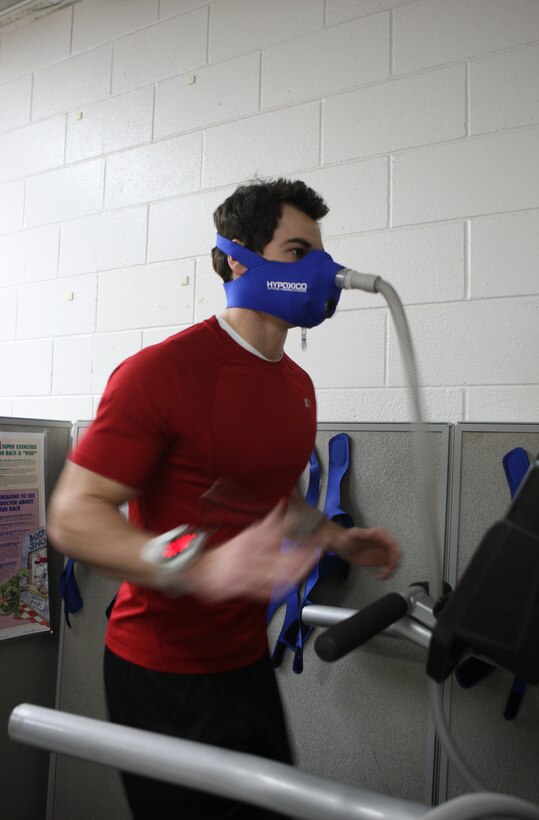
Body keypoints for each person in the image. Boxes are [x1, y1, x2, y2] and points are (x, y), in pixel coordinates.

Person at [48, 178, 400, 819]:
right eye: (299, 252)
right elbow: (73, 517)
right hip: (161, 673)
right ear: (239, 258)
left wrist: (333, 535)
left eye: (323, 254)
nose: (322, 272)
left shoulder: (296, 385)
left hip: (245, 661)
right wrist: (200, 565)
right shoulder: (161, 373)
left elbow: (275, 498)